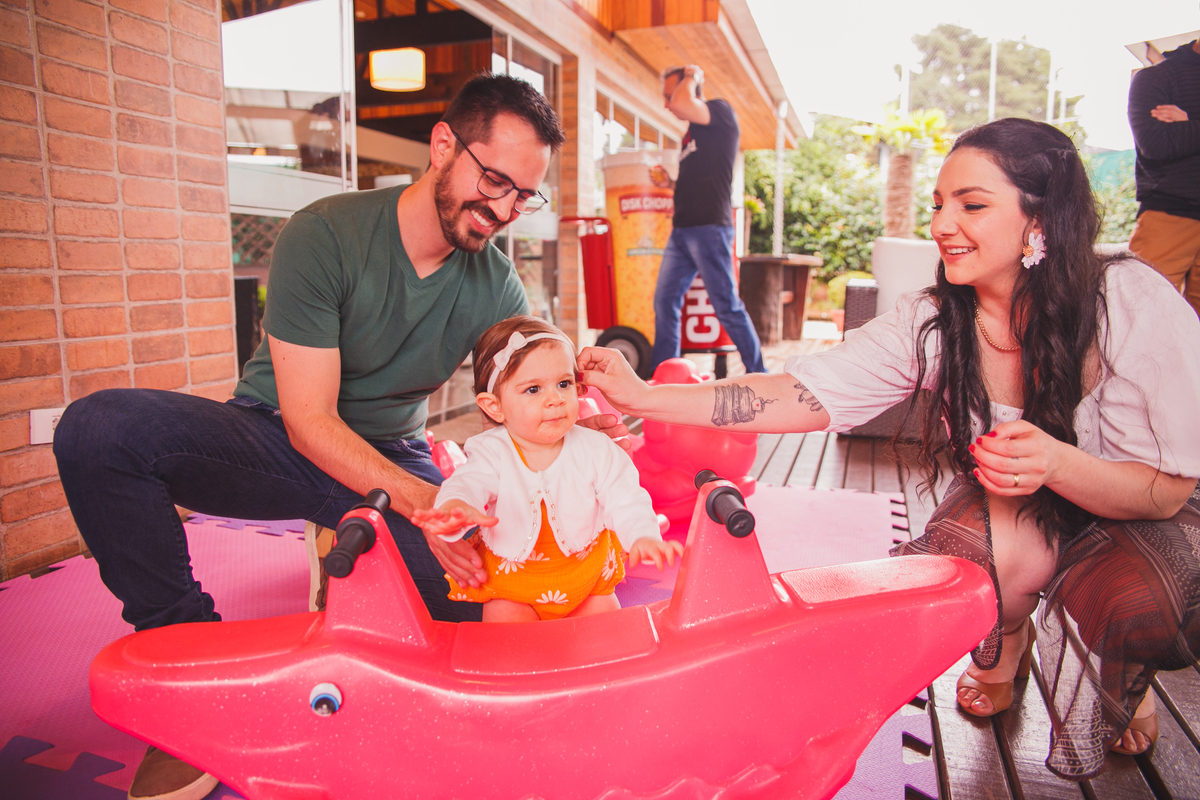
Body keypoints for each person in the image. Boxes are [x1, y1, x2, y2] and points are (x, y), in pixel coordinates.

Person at [51, 74, 629, 800]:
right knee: (100, 430)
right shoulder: (324, 233)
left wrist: (579, 423)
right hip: (277, 438)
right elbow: (309, 422)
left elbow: (538, 374)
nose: (504, 209)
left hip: (394, 453)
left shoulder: (496, 284)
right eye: (494, 179)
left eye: (524, 194)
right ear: (443, 145)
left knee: (480, 609)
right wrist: (426, 505)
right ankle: (184, 661)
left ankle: (347, 544)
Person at [579, 118, 1200, 781]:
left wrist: (1056, 462)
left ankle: (1120, 675)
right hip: (1017, 506)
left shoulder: (1128, 299)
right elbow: (801, 393)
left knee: (1144, 603)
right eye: (939, 203)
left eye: (973, 204)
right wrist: (643, 398)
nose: (942, 224)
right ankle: (1008, 637)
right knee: (960, 576)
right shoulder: (934, 319)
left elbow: (1165, 489)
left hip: (1133, 508)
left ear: (1038, 219)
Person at [412, 316, 681, 622]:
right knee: (509, 651)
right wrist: (456, 509)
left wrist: (643, 536)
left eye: (563, 384)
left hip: (587, 580)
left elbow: (626, 496)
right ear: (494, 406)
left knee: (608, 644)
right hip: (513, 586)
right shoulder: (492, 450)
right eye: (533, 389)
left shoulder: (595, 447)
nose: (554, 399)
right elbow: (466, 484)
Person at [648, 65, 765, 374]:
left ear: (688, 88)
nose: (667, 104)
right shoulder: (692, 135)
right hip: (682, 231)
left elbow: (684, 103)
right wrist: (670, 184)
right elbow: (701, 178)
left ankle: (760, 374)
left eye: (669, 95)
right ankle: (665, 376)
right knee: (664, 302)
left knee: (726, 307)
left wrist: (693, 75)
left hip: (709, 229)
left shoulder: (720, 111)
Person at [1127, 38, 1200, 319]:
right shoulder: (1156, 77)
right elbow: (1157, 144)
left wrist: (1190, 121)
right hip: (1169, 213)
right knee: (1141, 316)